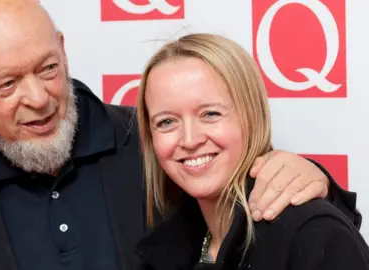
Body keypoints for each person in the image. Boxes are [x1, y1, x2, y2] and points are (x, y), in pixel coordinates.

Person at [0, 1, 360, 270]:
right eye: (6, 85)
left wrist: (310, 177)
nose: (38, 98)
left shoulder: (159, 145)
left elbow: (264, 213)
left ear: (63, 50)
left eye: (47, 69)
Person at [134, 33, 369, 270]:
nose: (189, 139)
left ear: (252, 116)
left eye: (211, 114)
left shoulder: (313, 234)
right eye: (166, 122)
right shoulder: (168, 247)